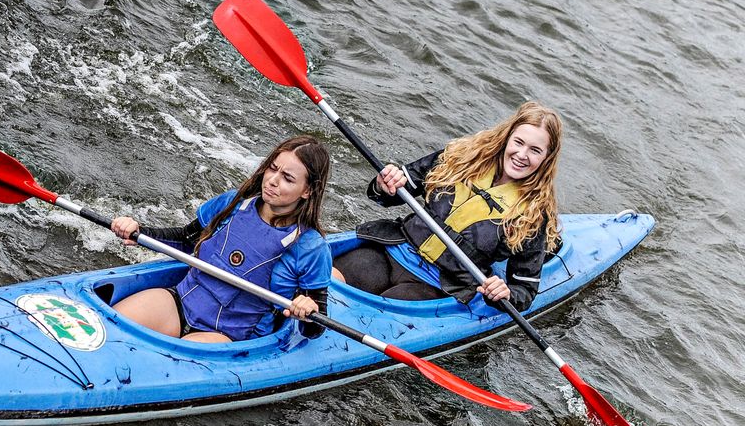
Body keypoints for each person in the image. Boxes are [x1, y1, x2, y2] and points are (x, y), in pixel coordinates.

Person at [332, 101, 562, 312]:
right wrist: (385, 185)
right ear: (507, 138)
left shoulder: (533, 215)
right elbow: (387, 195)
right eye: (519, 142)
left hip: (436, 284)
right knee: (328, 281)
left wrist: (505, 294)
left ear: (546, 158)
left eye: (535, 150)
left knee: (372, 313)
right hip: (392, 251)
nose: (522, 155)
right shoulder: (460, 158)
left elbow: (524, 291)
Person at [110, 136, 333, 343]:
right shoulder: (233, 204)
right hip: (179, 304)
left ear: (307, 191)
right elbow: (186, 240)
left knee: (160, 365)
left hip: (227, 337)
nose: (273, 180)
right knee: (109, 328)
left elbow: (315, 329)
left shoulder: (311, 247)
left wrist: (307, 312)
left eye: (287, 178)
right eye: (273, 168)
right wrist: (140, 232)